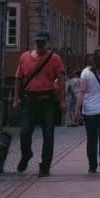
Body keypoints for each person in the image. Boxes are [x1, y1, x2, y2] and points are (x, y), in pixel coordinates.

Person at [12, 29, 66, 176]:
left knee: (48, 134)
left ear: (48, 42)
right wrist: (16, 99)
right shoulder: (24, 57)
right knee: (24, 132)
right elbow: (18, 79)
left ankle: (45, 165)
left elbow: (61, 82)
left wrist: (62, 101)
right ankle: (26, 154)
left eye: (42, 41)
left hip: (47, 100)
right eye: (37, 41)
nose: (40, 44)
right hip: (29, 100)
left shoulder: (55, 59)